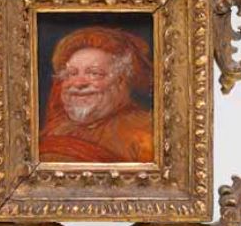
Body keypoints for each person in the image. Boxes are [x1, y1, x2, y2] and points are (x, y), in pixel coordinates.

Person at [39, 26, 154, 163]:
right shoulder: (55, 129)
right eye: (71, 74)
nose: (78, 83)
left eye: (94, 73)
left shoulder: (146, 135)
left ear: (121, 81)